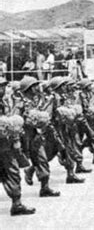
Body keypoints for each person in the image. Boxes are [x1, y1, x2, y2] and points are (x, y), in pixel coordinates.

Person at [0, 77, 36, 216]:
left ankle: (17, 204)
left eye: (4, 86)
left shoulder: (4, 102)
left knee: (13, 172)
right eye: (0, 87)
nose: (3, 90)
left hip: (5, 145)